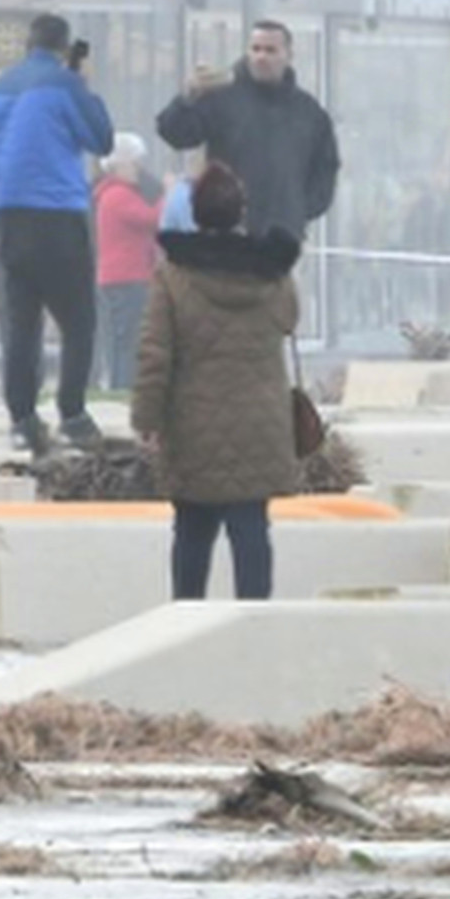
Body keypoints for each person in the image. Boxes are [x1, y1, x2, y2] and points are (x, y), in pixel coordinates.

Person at [128, 160, 306, 604]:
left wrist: (146, 419)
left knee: (192, 528)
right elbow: (289, 321)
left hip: (194, 424)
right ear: (240, 213)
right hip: (260, 422)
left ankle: (186, 619)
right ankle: (255, 621)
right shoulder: (272, 272)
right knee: (251, 529)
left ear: (196, 213)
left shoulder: (173, 277)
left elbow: (155, 355)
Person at [0, 13, 115, 451]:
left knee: (22, 322)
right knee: (79, 321)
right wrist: (83, 83)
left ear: (27, 45)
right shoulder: (64, 83)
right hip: (58, 216)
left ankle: (22, 419)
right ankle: (72, 414)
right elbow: (101, 138)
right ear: (64, 47)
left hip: (12, 217)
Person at [154, 19, 343, 254]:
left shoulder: (308, 112)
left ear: (288, 55)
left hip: (281, 238)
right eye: (256, 49)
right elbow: (174, 134)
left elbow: (326, 166)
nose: (261, 57)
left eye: (270, 50)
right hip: (227, 232)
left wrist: (300, 209)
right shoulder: (222, 97)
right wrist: (187, 98)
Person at [94, 139, 163, 393]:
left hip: (116, 276)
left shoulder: (109, 195)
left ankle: (119, 386)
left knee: (121, 338)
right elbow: (153, 219)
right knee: (129, 339)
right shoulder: (119, 195)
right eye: (135, 163)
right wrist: (169, 194)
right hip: (128, 276)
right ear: (119, 165)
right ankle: (123, 387)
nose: (139, 169)